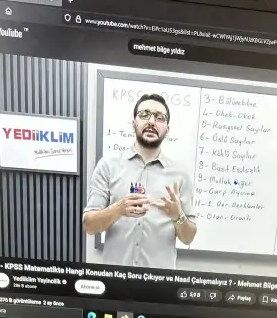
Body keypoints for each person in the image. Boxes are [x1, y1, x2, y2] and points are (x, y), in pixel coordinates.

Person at [83, 93, 197, 268]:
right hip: (116, 279)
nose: (151, 121)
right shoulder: (108, 166)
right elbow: (89, 226)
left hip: (159, 281)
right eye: (144, 114)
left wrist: (178, 216)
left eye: (160, 117)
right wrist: (118, 209)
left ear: (167, 129)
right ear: (134, 123)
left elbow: (188, 237)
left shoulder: (180, 175)